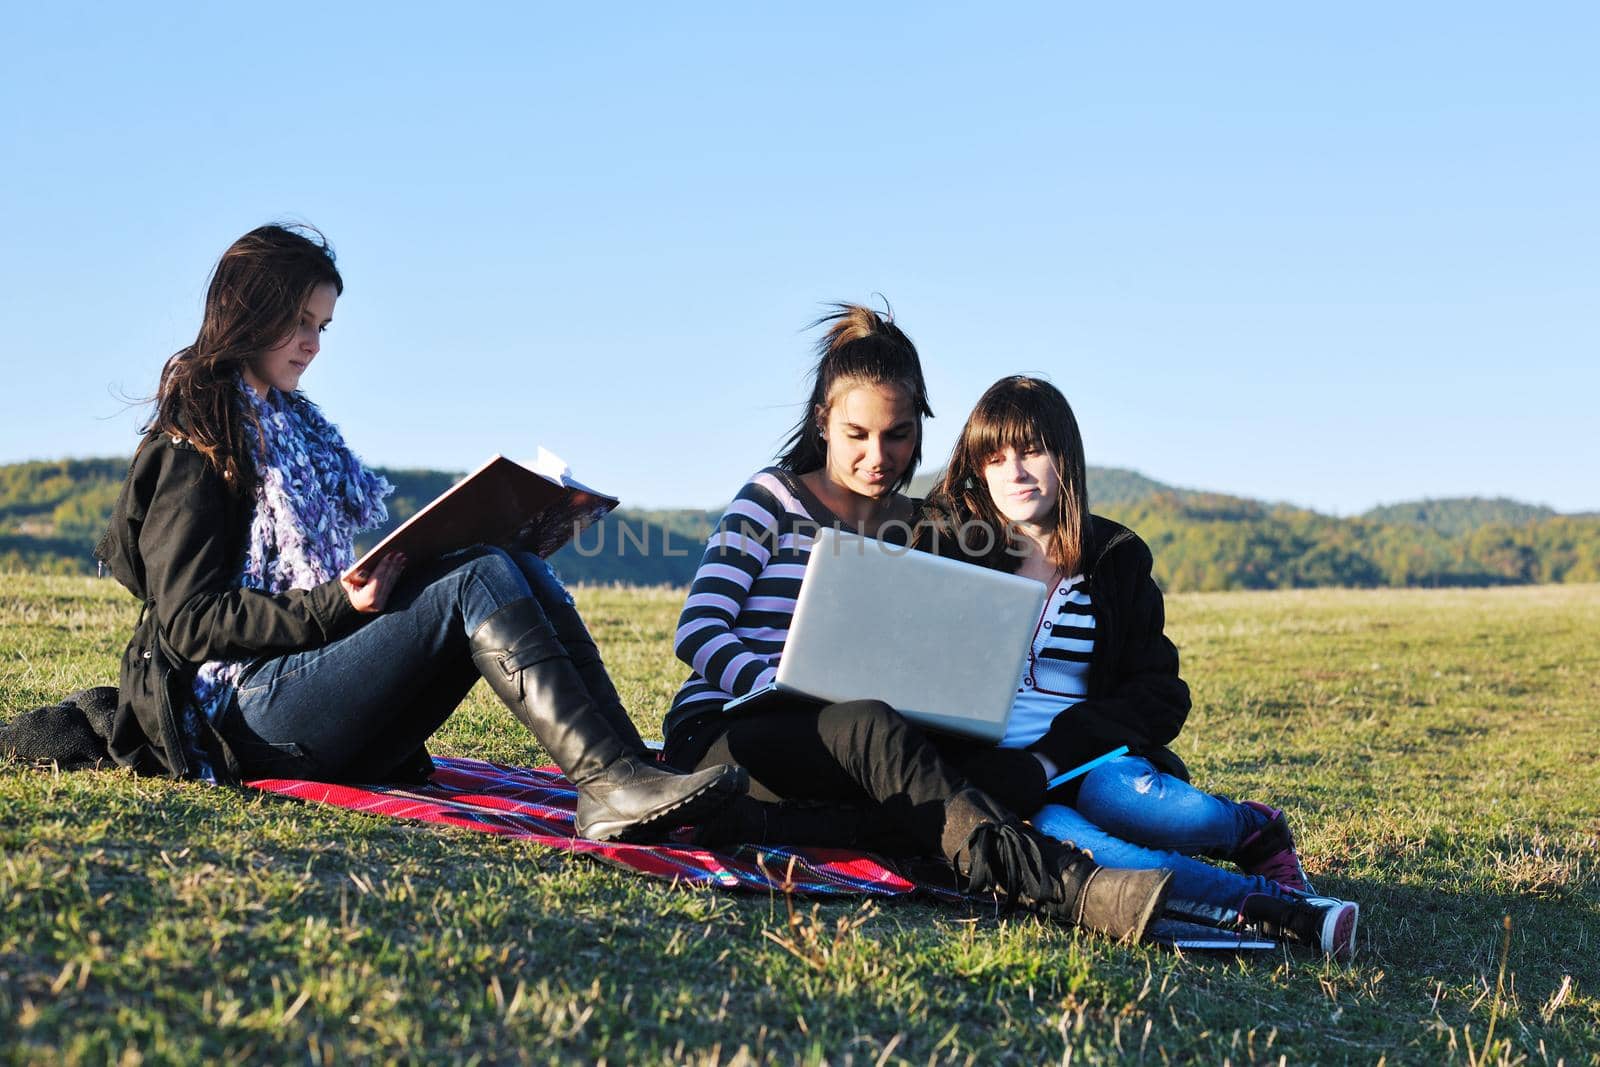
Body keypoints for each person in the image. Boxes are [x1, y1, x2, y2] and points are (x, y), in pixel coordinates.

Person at [94, 223, 746, 842]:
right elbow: (189, 622)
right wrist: (335, 605)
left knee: (510, 560)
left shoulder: (293, 431)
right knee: (479, 576)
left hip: (299, 689)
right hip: (237, 715)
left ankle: (630, 770)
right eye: (299, 322)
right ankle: (610, 786)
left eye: (321, 326)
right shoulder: (196, 444)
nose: (313, 343)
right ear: (247, 311)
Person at [660, 304, 1173, 942]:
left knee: (917, 766)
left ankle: (759, 826)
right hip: (725, 728)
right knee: (873, 728)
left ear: (920, 428)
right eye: (856, 435)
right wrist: (780, 688)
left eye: (897, 435)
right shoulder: (770, 498)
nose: (878, 456)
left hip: (837, 742)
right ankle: (1067, 888)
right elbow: (700, 630)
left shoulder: (923, 529)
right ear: (824, 420)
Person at [924, 375, 1360, 959]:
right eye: (995, 457)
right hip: (1009, 783)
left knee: (1138, 805)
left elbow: (1160, 693)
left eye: (1031, 451)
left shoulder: (1114, 558)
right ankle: (1278, 910)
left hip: (1090, 759)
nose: (1015, 473)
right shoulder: (953, 554)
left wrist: (1054, 753)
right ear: (978, 469)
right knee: (1094, 853)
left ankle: (1250, 827)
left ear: (1065, 457)